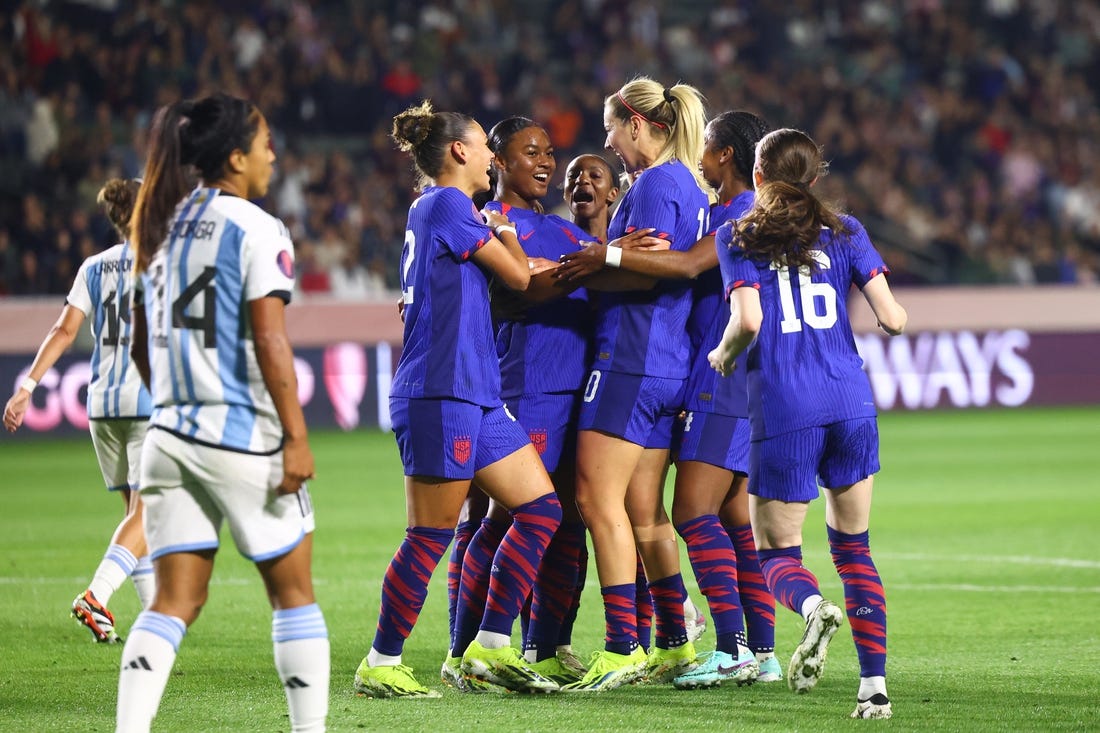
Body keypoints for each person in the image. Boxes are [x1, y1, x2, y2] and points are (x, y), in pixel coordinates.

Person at [118, 93, 329, 733]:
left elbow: (137, 340)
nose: (273, 153)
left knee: (176, 600)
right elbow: (269, 338)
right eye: (263, 142)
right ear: (235, 158)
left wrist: (178, 402)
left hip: (169, 436)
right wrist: (295, 436)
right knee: (293, 594)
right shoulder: (256, 227)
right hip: (241, 437)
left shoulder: (159, 222)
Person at [560, 112, 780, 689]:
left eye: (611, 128)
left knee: (637, 506)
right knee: (685, 513)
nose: (607, 142)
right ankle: (724, 646)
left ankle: (644, 645)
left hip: (676, 366)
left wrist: (601, 257)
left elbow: (674, 268)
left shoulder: (707, 203)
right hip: (701, 373)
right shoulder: (719, 203)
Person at [355, 100, 563, 698]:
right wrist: (504, 230)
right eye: (482, 144)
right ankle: (381, 659)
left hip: (477, 393)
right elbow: (521, 276)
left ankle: (490, 648)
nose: (492, 156)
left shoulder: (444, 212)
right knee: (430, 533)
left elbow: (518, 268)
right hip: (440, 390)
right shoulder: (448, 203)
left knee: (540, 509)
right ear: (458, 152)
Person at [708, 127, 907, 719]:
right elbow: (892, 319)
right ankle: (874, 689)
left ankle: (813, 608)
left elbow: (747, 320)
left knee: (776, 555)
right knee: (855, 550)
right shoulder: (848, 232)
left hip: (784, 405)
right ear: (817, 178)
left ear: (759, 176)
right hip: (850, 402)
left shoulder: (738, 235)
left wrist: (722, 356)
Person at [563, 77, 710, 692]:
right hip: (668, 364)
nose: (608, 143)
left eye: (610, 129)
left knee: (597, 501)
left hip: (629, 359)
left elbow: (647, 275)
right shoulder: (688, 185)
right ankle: (675, 644)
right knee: (643, 512)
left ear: (634, 122)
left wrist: (592, 265)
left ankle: (622, 645)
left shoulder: (653, 184)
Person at [3, 178, 155, 643]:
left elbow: (65, 329)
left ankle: (155, 613)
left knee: (136, 511)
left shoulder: (94, 266)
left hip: (103, 405)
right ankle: (96, 596)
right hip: (147, 400)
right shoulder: (163, 264)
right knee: (154, 511)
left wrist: (26, 386)